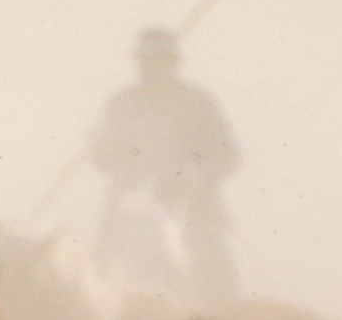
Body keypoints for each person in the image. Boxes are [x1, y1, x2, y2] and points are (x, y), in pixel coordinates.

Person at [84, 27, 236, 305]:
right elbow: (99, 154)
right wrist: (108, 152)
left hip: (189, 209)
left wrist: (192, 175)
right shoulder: (122, 103)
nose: (148, 69)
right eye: (144, 61)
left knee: (220, 267)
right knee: (98, 272)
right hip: (128, 207)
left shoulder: (198, 103)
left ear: (172, 63)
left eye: (156, 61)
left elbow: (229, 157)